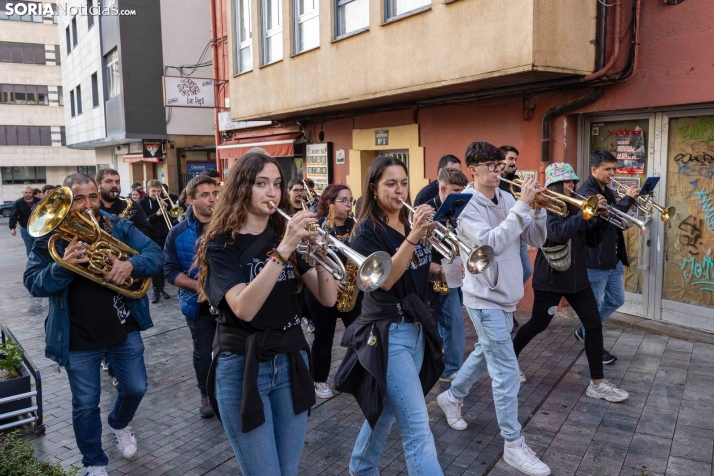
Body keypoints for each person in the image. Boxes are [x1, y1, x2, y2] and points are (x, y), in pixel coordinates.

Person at [195, 152, 337, 475]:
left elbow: (327, 298)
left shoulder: (283, 235)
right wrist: (284, 250)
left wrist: (322, 256)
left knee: (288, 471)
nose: (272, 192)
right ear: (241, 188)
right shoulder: (220, 245)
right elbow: (244, 307)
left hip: (290, 360)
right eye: (261, 184)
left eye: (276, 184)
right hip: (242, 366)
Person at [23, 173, 164, 476]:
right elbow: (33, 283)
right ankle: (94, 462)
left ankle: (119, 423)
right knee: (85, 404)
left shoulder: (119, 227)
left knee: (136, 387)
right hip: (76, 337)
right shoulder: (51, 240)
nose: (88, 204)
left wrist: (130, 264)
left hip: (122, 329)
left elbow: (156, 254)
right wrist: (64, 267)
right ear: (66, 204)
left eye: (92, 197)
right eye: (79, 198)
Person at [436, 141, 551, 476]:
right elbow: (493, 242)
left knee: (485, 353)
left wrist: (539, 209)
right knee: (504, 372)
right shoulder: (465, 205)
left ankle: (452, 396)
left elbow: (535, 240)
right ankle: (513, 444)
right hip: (483, 298)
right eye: (489, 165)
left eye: (499, 165)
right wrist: (522, 207)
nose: (497, 171)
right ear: (473, 168)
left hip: (507, 294)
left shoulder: (508, 197)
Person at [334, 155, 445, 475]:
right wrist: (414, 237)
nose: (400, 190)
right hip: (388, 332)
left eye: (404, 183)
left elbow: (414, 269)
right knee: (418, 427)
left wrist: (436, 270)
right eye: (391, 183)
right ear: (373, 187)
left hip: (417, 330)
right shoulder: (367, 231)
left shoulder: (411, 222)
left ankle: (361, 466)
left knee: (385, 409)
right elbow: (385, 279)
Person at [512, 163, 629, 403]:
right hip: (551, 281)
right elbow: (558, 233)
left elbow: (593, 240)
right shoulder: (544, 206)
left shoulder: (577, 208)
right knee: (537, 324)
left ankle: (597, 383)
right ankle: (509, 363)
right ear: (555, 184)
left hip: (578, 280)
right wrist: (585, 215)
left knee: (594, 325)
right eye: (566, 182)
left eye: (573, 181)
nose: (572, 186)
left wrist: (602, 218)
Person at [574, 150, 639, 365]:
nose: (612, 173)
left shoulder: (606, 190)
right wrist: (627, 199)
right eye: (607, 169)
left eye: (614, 169)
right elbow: (609, 217)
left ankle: (585, 330)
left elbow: (616, 214)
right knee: (592, 309)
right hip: (596, 259)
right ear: (594, 170)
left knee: (616, 299)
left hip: (612, 256)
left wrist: (631, 200)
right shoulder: (586, 192)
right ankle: (594, 346)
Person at [164, 175, 219, 418]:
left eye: (215, 193)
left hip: (231, 300)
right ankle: (206, 393)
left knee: (234, 349)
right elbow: (170, 271)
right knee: (203, 350)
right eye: (205, 195)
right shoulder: (176, 233)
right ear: (190, 200)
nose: (212, 199)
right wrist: (201, 287)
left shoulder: (230, 225)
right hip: (199, 303)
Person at [306, 184, 361, 399]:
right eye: (344, 201)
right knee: (323, 337)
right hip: (321, 290)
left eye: (351, 201)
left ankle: (356, 374)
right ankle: (319, 379)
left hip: (350, 288)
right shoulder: (317, 227)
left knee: (358, 334)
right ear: (330, 204)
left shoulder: (354, 225)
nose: (349, 205)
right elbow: (306, 262)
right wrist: (330, 278)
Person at [425, 167, 468, 383]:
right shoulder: (426, 210)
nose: (460, 195)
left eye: (462, 190)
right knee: (449, 319)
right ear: (443, 188)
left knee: (452, 317)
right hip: (432, 269)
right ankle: (451, 367)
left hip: (452, 265)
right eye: (456, 190)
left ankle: (449, 365)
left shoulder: (456, 209)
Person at [498, 145, 532, 329]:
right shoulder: (496, 181)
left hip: (517, 233)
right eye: (511, 159)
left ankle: (508, 308)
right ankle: (506, 311)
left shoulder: (514, 180)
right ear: (500, 160)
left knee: (526, 270)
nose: (514, 163)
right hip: (503, 233)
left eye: (515, 160)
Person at [139, 180, 173, 303]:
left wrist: (167, 208)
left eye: (159, 191)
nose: (156, 194)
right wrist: (156, 214)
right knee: (155, 264)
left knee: (164, 263)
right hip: (151, 237)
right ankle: (155, 290)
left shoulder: (165, 200)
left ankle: (161, 288)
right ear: (148, 190)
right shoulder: (142, 203)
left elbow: (174, 217)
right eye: (153, 191)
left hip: (165, 236)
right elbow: (143, 221)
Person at [96, 168, 152, 237]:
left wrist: (129, 234)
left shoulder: (132, 205)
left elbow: (148, 229)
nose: (114, 185)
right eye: (109, 181)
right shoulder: (91, 207)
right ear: (98, 185)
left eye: (117, 182)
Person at [8, 185, 41, 256]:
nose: (28, 194)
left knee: (40, 247)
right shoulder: (18, 203)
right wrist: (12, 228)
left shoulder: (39, 201)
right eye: (26, 192)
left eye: (29, 192)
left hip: (39, 229)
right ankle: (32, 265)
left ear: (32, 192)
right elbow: (13, 216)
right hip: (25, 229)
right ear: (22, 193)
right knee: (29, 248)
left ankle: (41, 265)